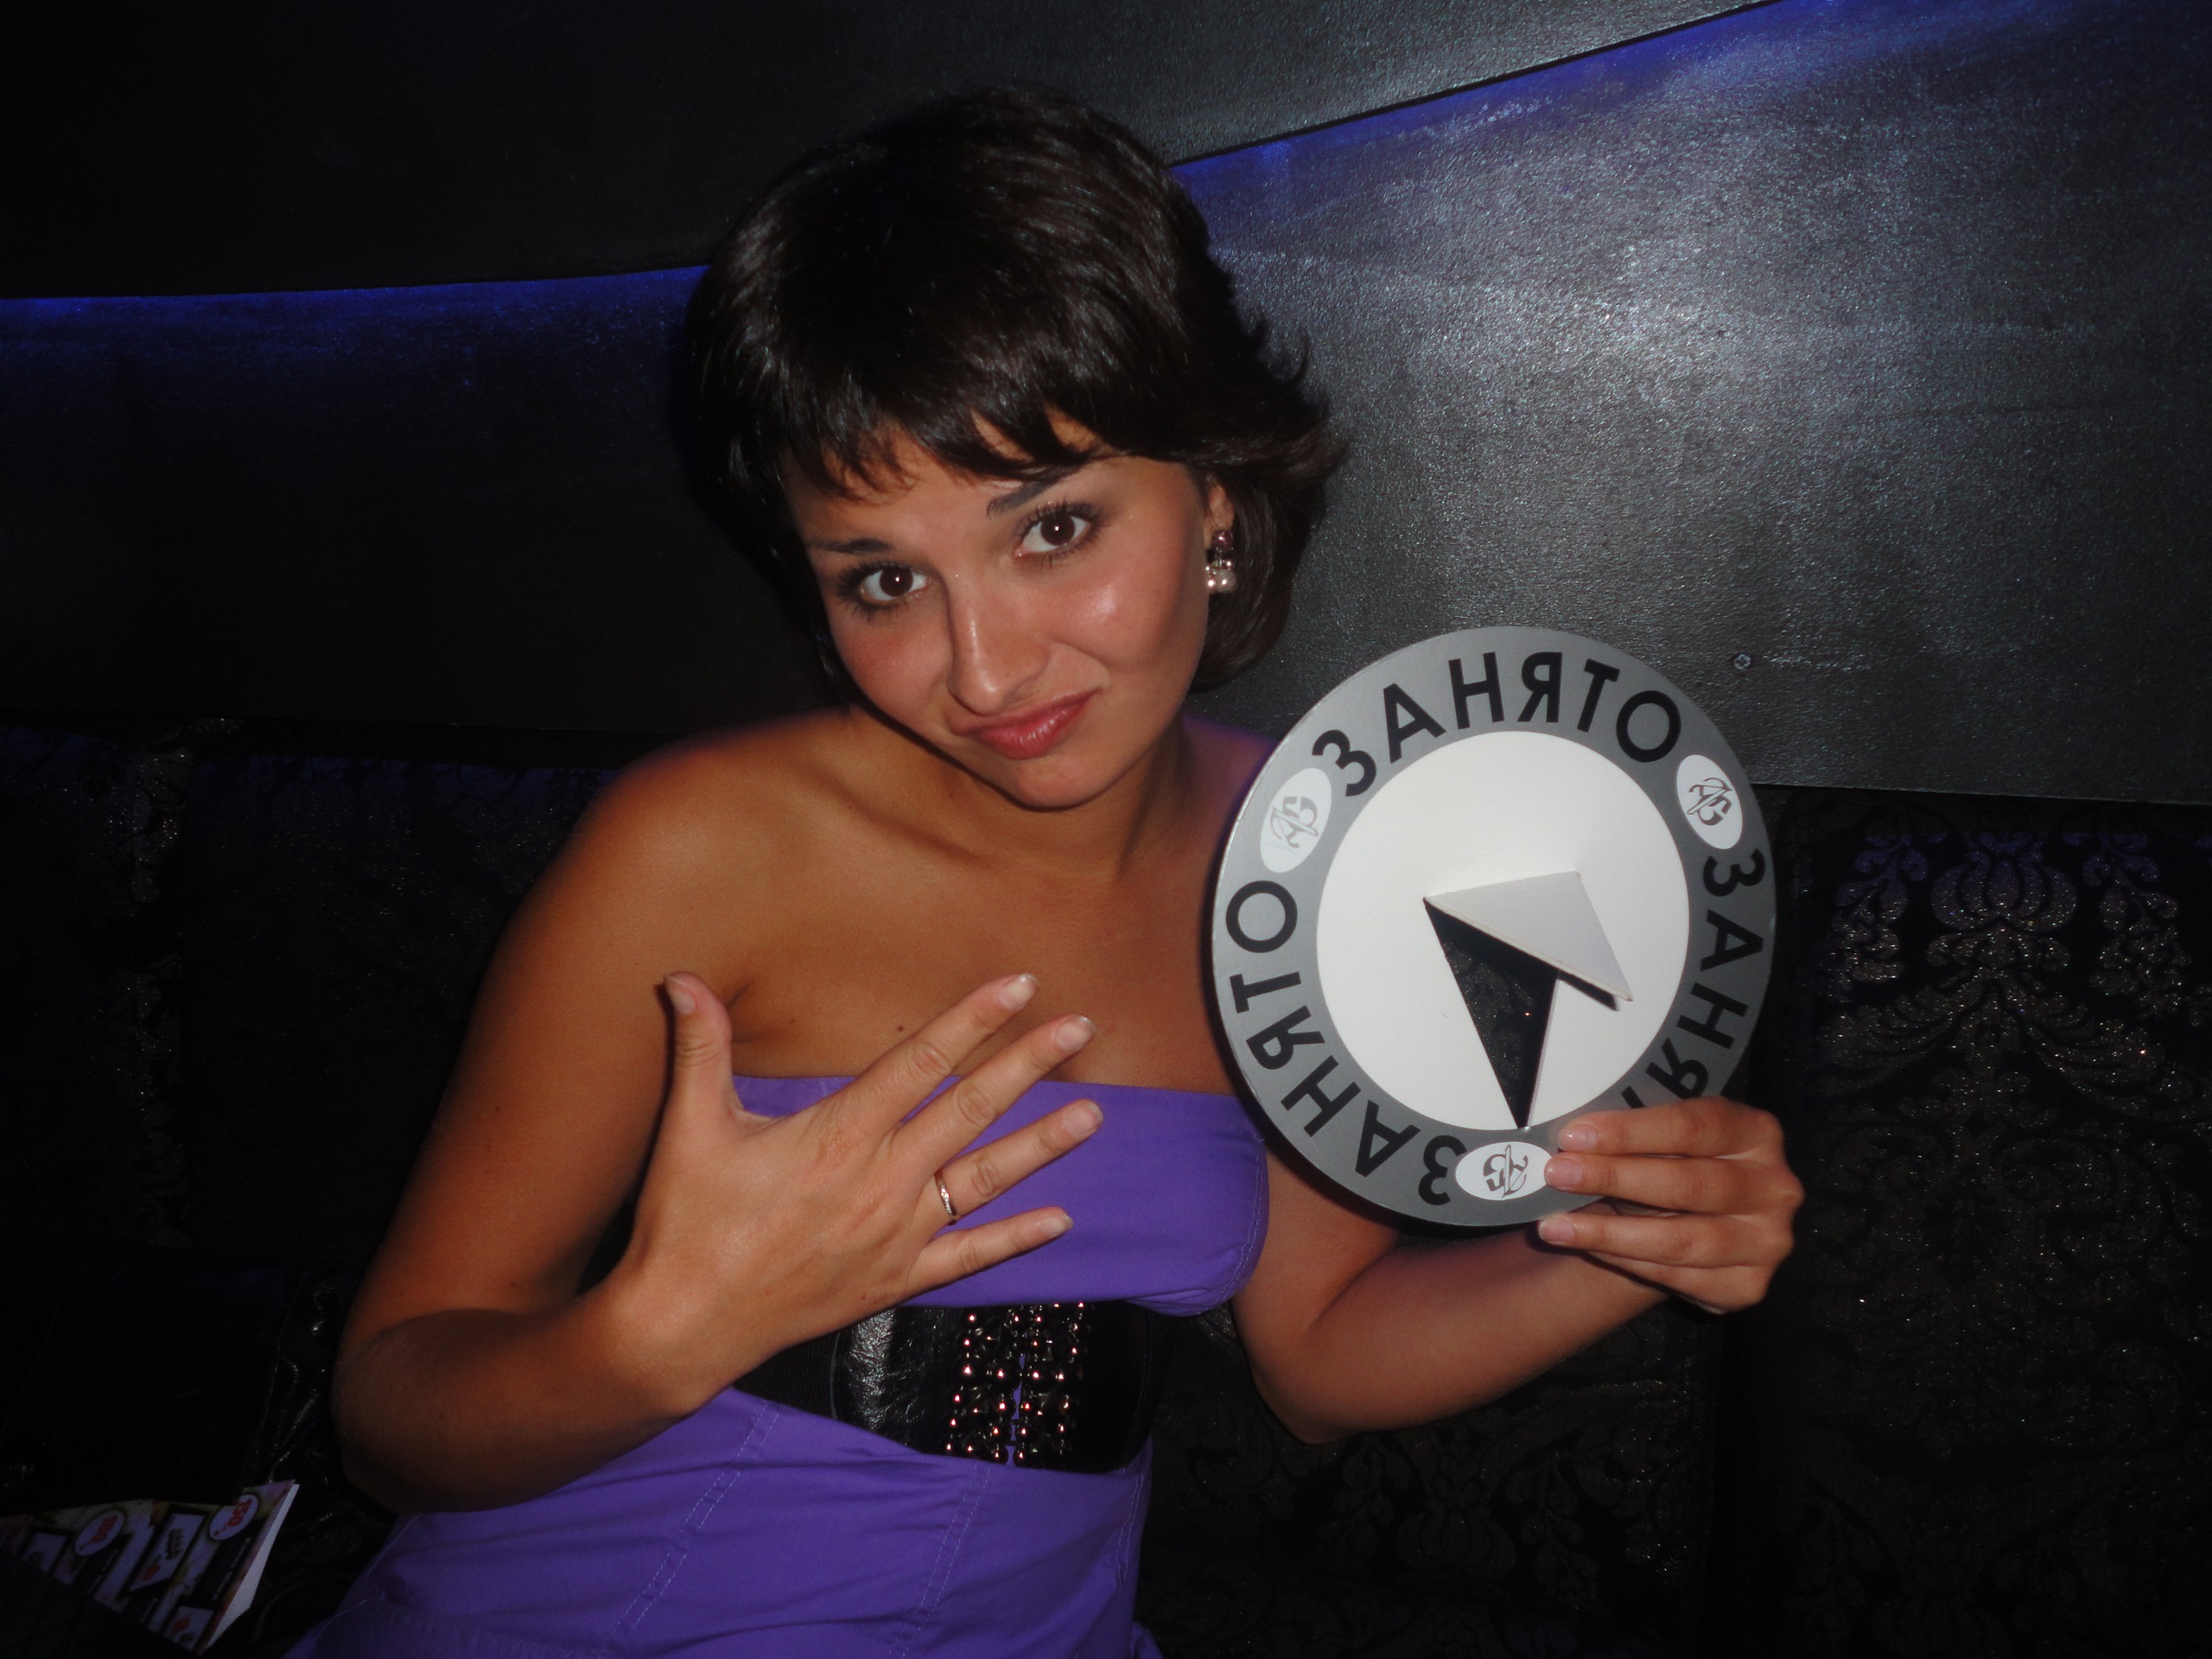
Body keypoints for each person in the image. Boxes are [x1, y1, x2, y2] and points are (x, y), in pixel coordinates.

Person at [296, 90, 1800, 1658]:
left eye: (1053, 528)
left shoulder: (1317, 861)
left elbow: (1316, 1354)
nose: (984, 666)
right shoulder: (704, 850)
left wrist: (1626, 1248)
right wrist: (660, 1335)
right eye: (887, 579)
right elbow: (391, 1419)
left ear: (1213, 496)